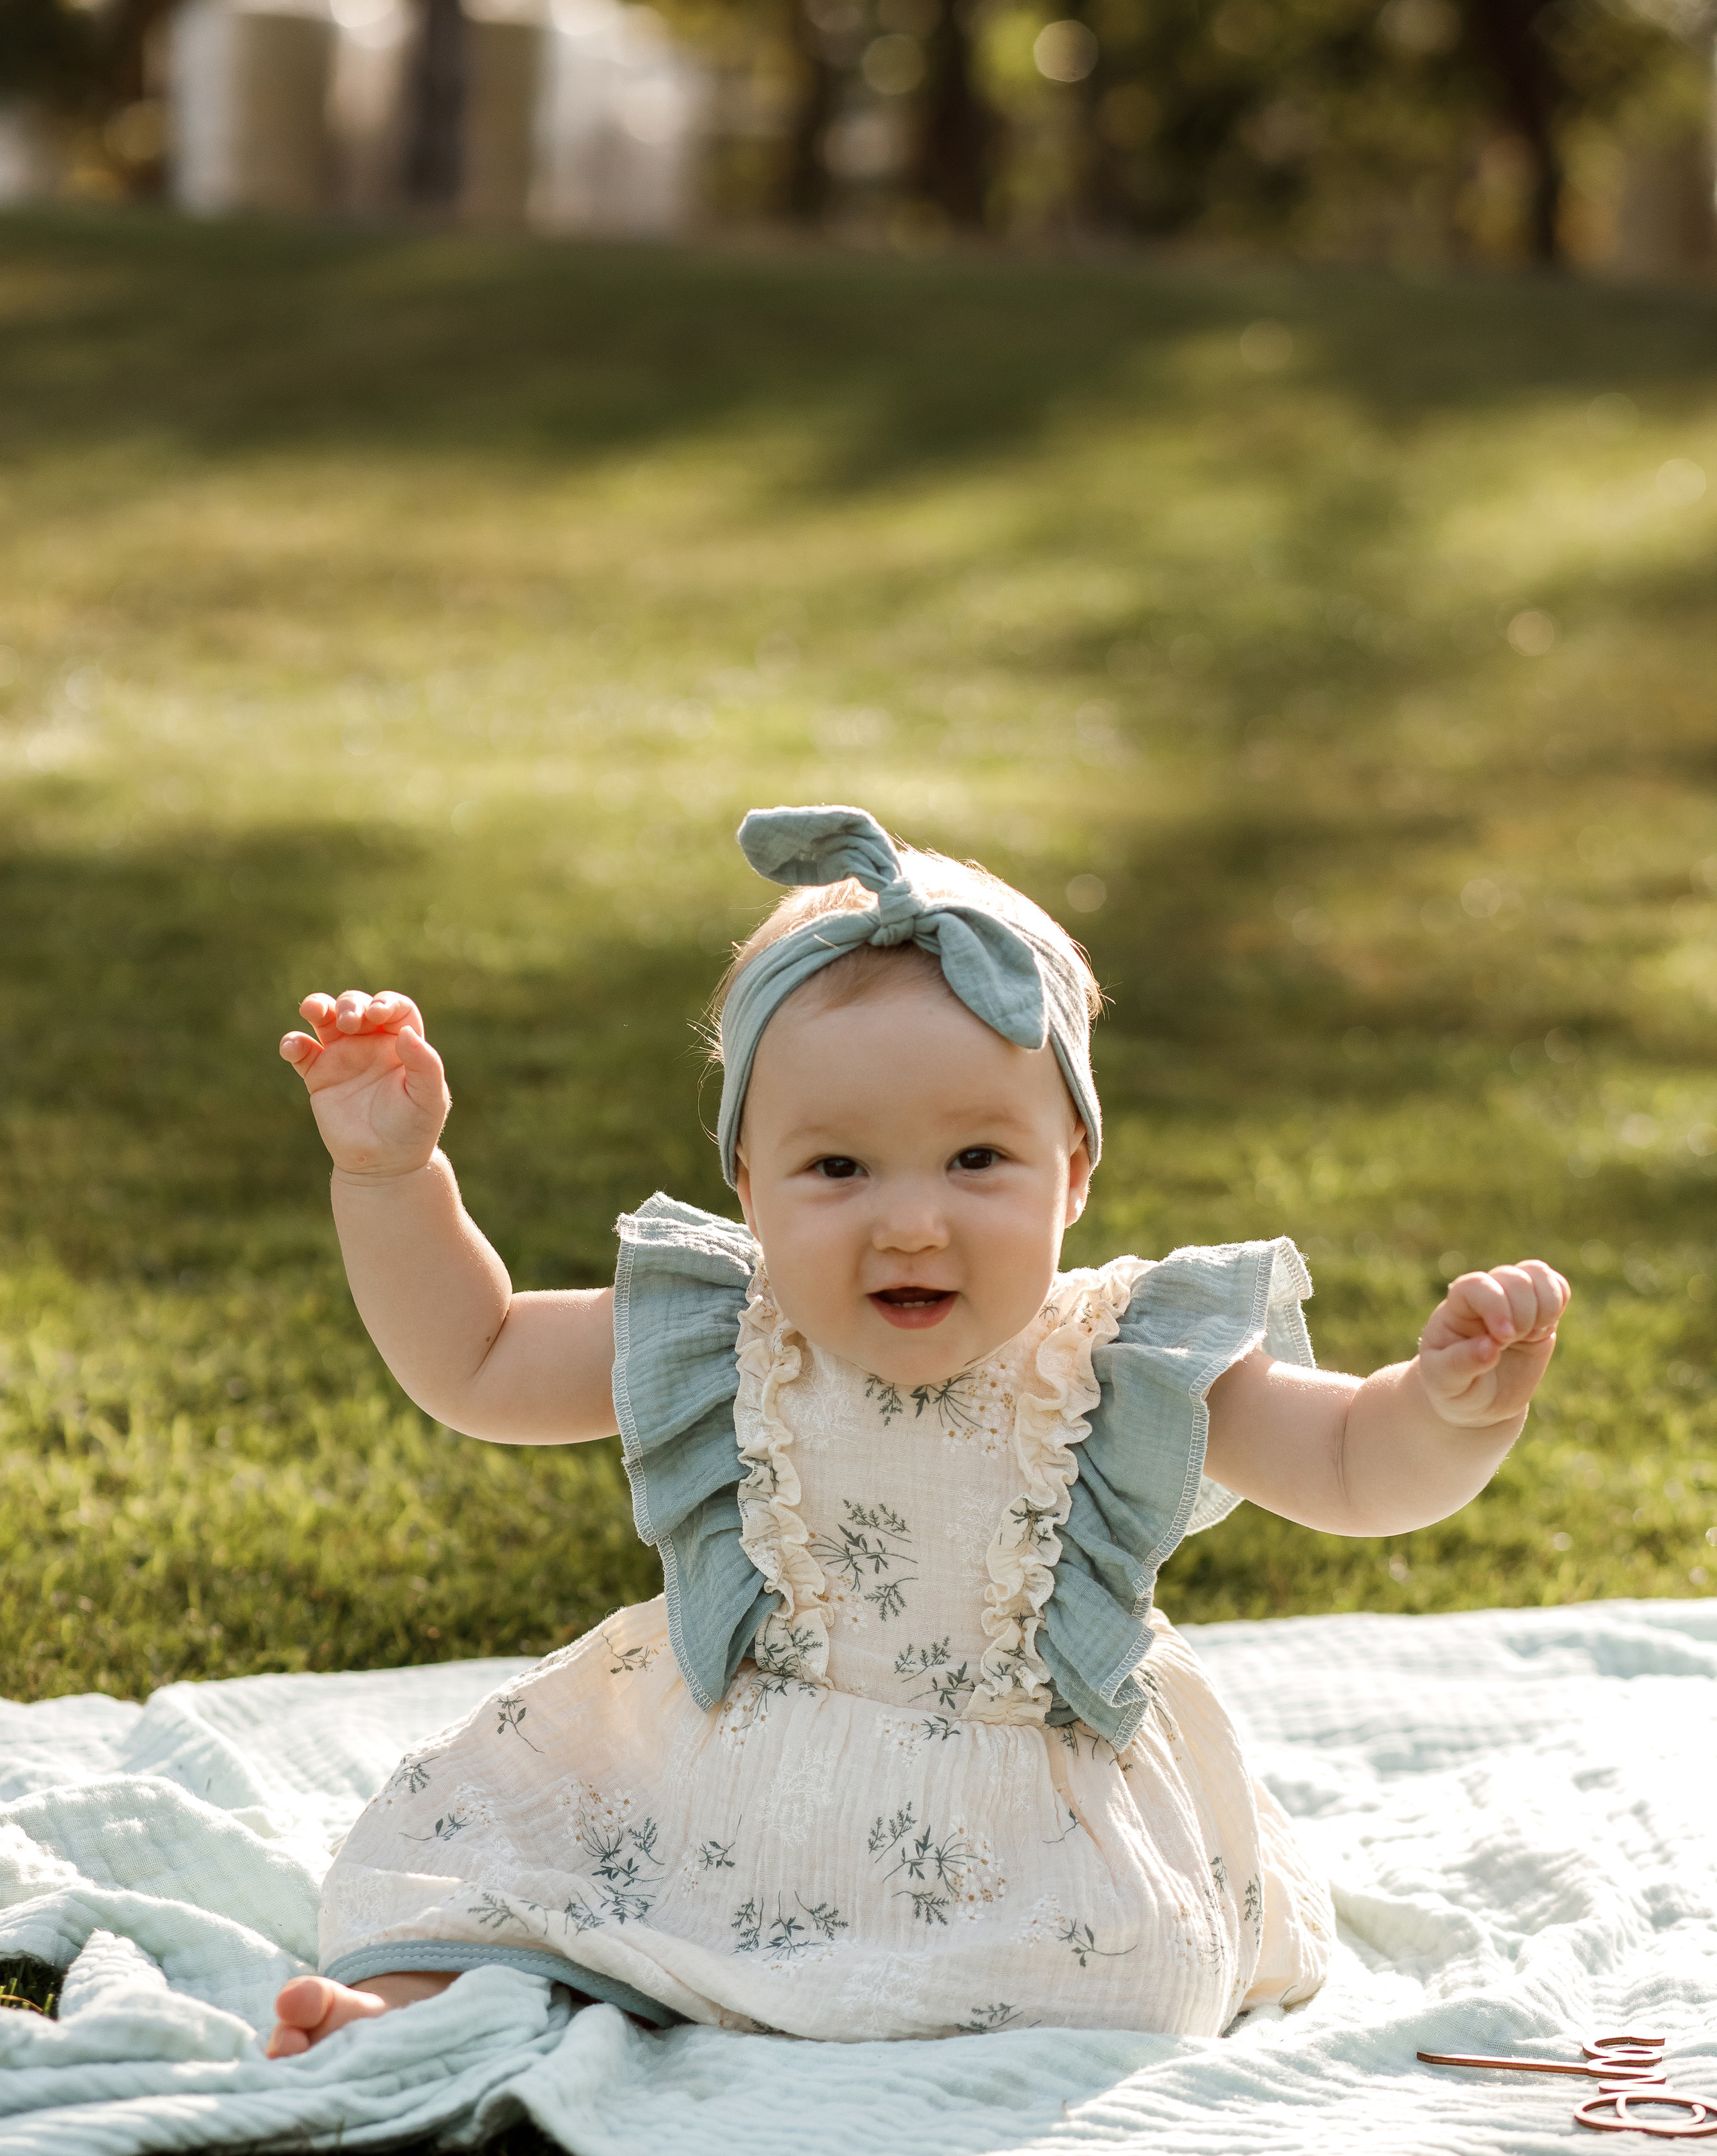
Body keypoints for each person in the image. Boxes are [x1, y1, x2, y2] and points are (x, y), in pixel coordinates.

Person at [266, 804, 1569, 2059]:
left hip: (1027, 1826)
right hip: (732, 1782)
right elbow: (476, 1358)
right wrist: (392, 1178)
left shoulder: (1117, 1358)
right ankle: (432, 2005)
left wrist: (1445, 1410)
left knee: (1120, 1970)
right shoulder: (727, 1329)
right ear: (747, 1183)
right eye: (836, 1168)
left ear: (1071, 1171)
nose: (908, 1223)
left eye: (974, 1162)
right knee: (507, 1857)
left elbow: (1347, 1467)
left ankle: (885, 2023)